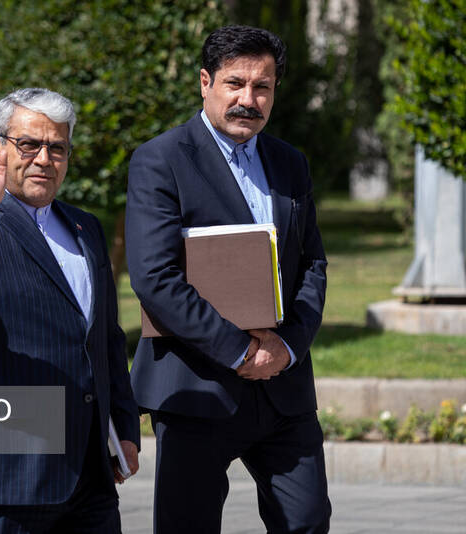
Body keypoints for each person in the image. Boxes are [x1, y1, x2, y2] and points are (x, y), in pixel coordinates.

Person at [125, 26, 331, 533]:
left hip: (283, 388)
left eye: (262, 87)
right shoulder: (161, 159)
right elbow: (155, 277)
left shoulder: (290, 162)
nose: (248, 99)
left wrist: (287, 347)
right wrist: (240, 351)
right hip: (196, 386)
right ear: (205, 82)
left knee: (308, 523)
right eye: (235, 83)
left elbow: (312, 264)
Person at [0, 87, 140, 533]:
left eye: (57, 147)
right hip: (2, 474)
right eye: (29, 144)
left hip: (88, 475)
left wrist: (125, 428)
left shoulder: (86, 228)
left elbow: (104, 339)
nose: (44, 159)